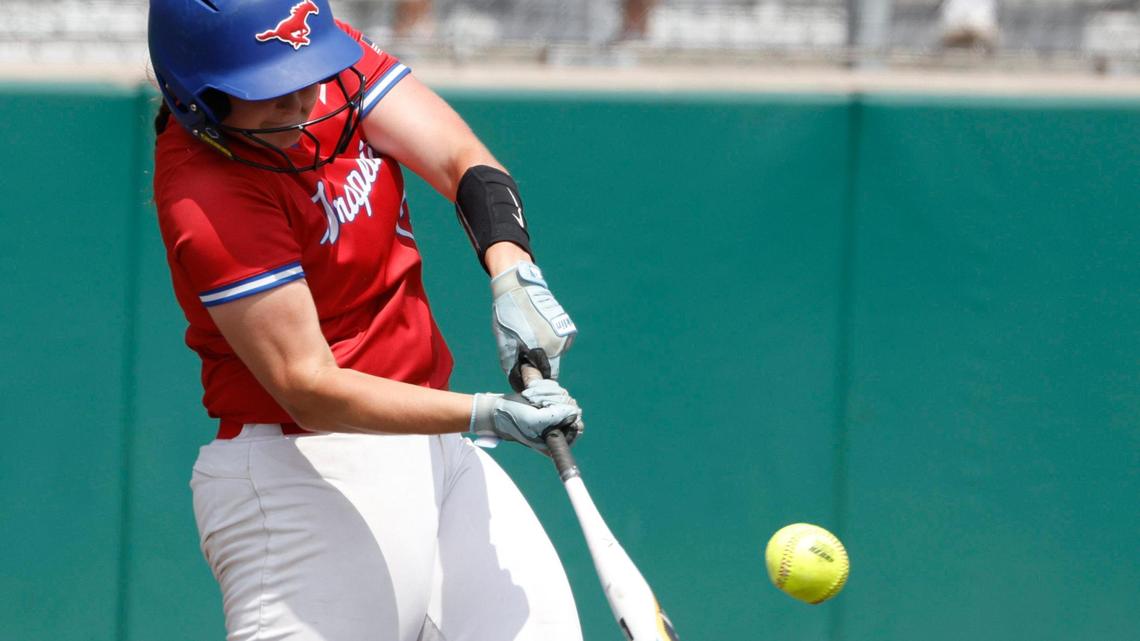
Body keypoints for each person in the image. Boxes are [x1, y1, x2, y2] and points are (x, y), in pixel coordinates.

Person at [147, 1, 585, 639]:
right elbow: (310, 388)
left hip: (433, 455)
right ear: (201, 100)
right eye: (272, 92)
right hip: (302, 478)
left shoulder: (317, 62)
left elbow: (462, 160)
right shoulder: (206, 195)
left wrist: (513, 273)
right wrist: (485, 413)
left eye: (309, 76)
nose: (302, 102)